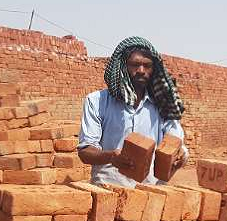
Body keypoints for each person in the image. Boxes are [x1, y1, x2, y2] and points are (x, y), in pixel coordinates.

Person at [77, 36, 188, 187]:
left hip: (151, 191)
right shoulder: (97, 101)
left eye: (147, 65)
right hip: (109, 188)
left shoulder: (163, 103)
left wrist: (180, 155)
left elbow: (176, 143)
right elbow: (85, 151)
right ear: (122, 66)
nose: (141, 70)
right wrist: (111, 156)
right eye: (135, 65)